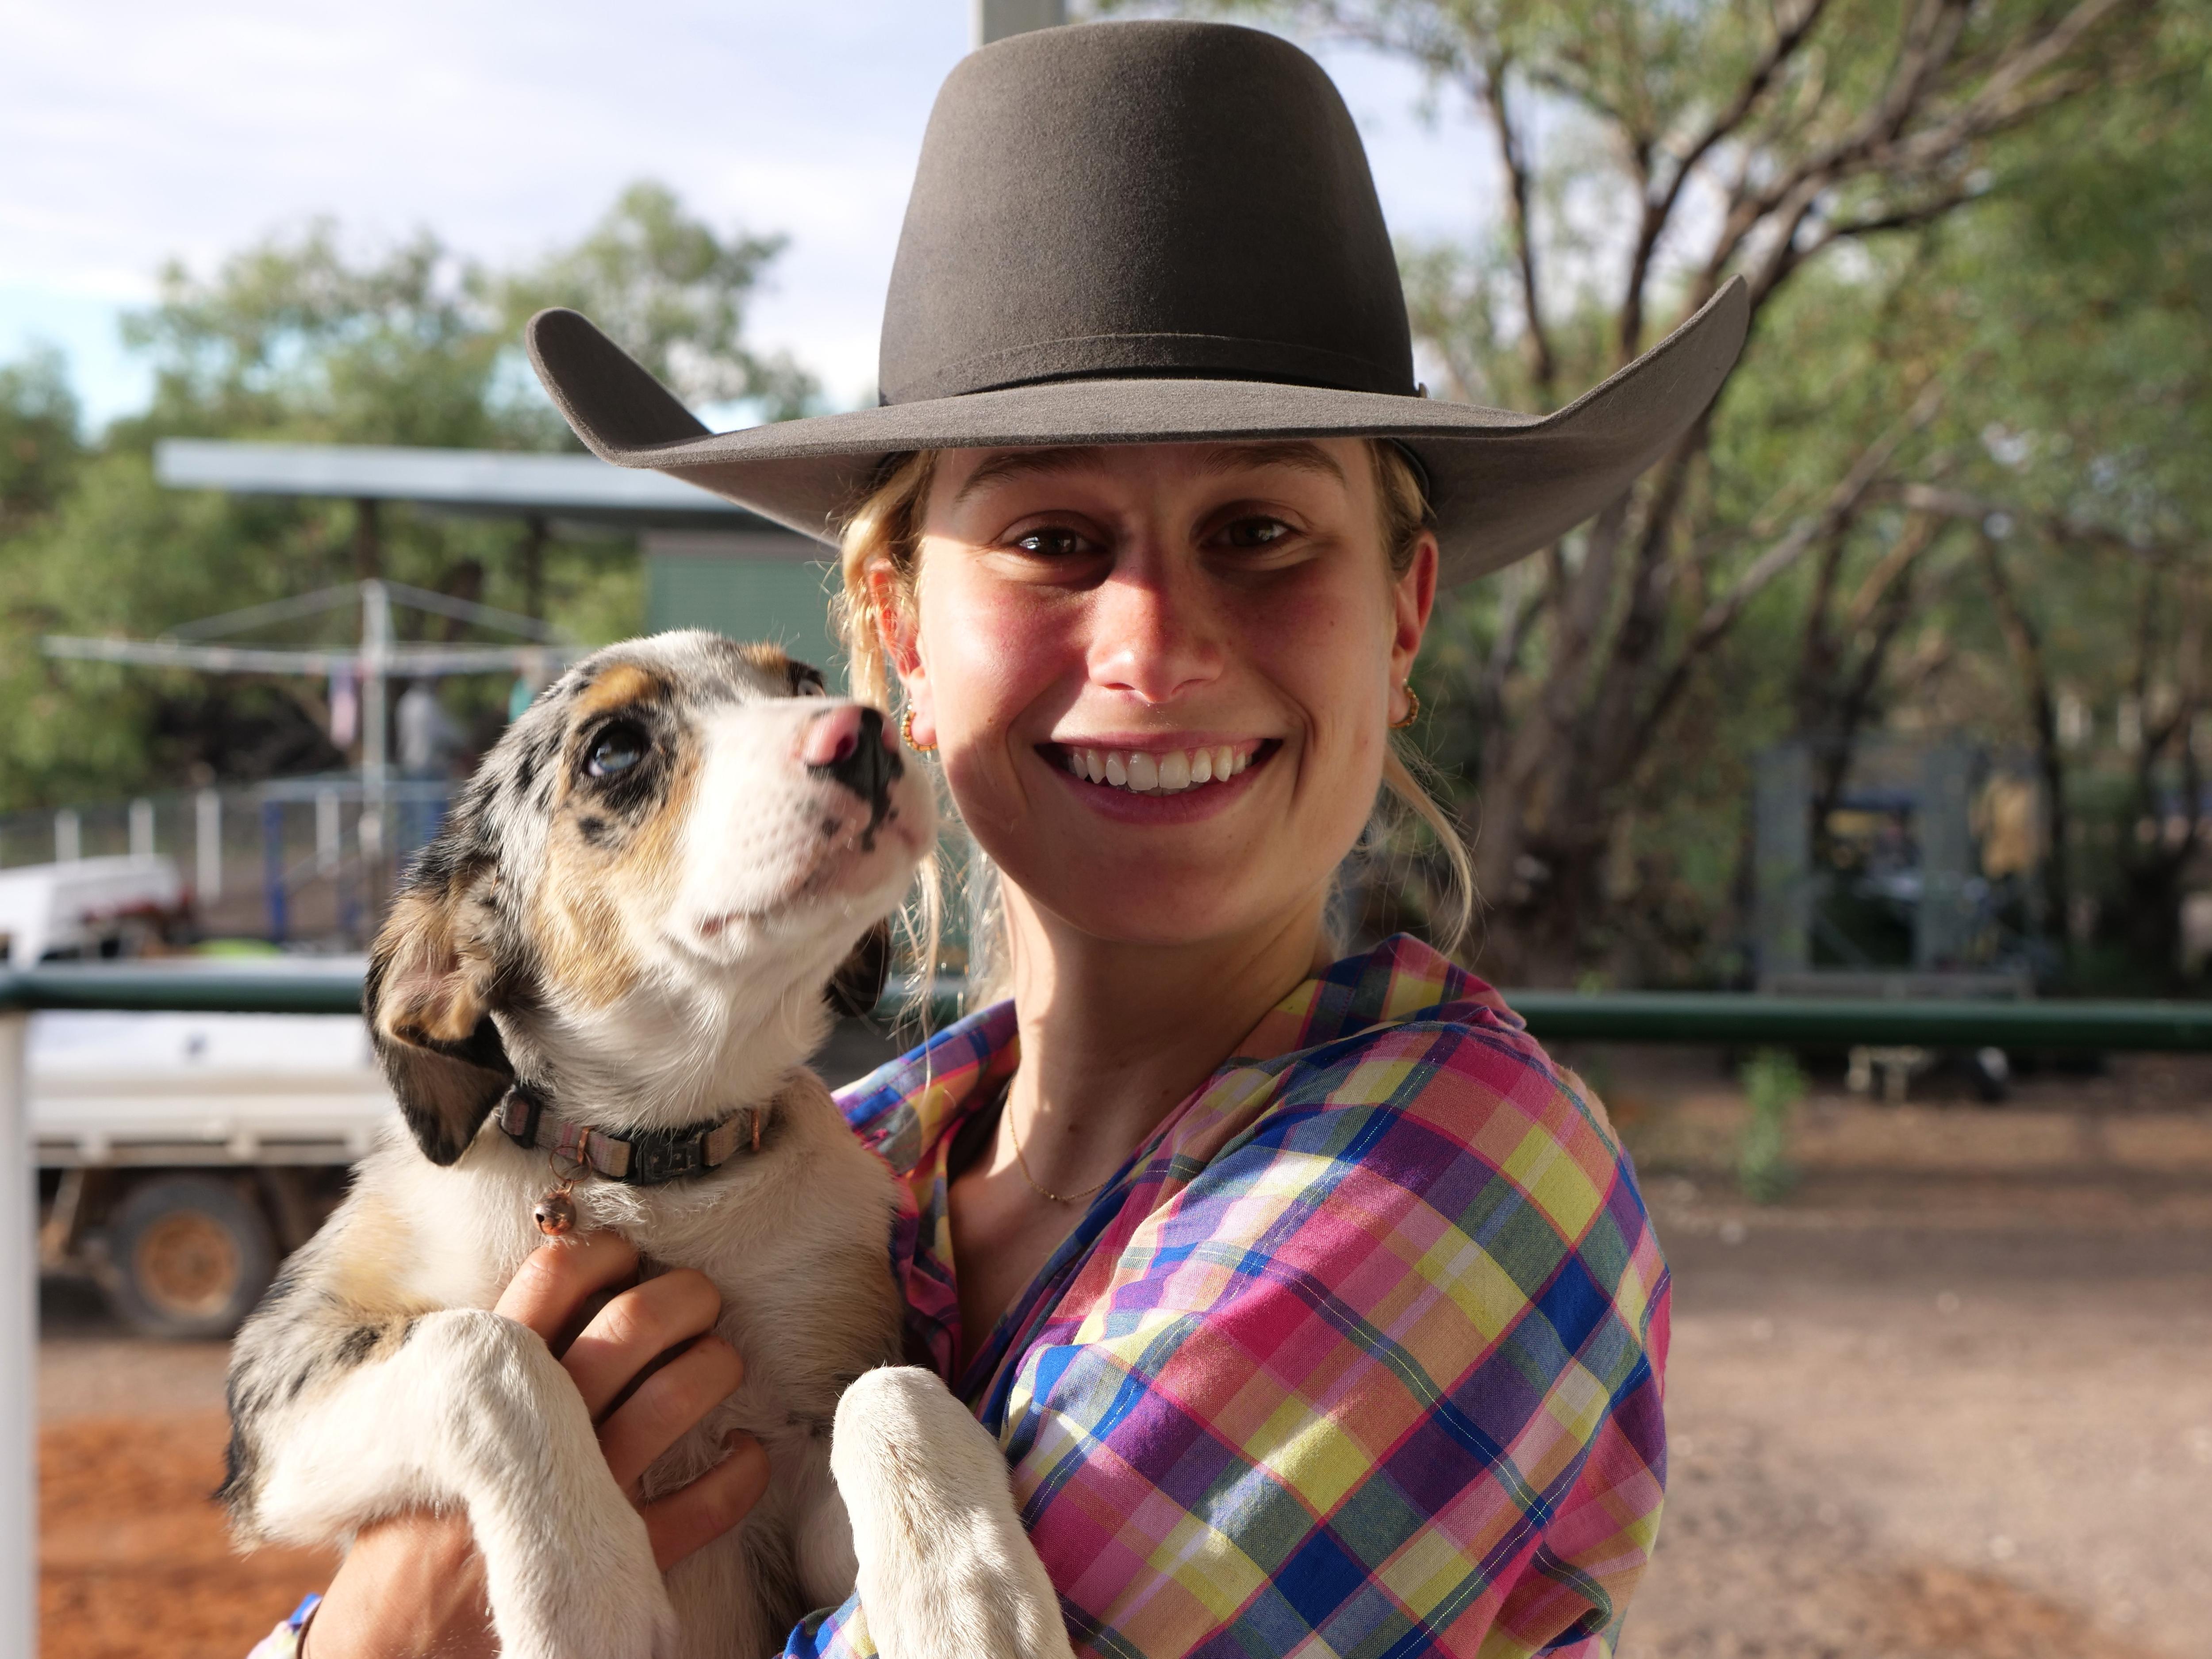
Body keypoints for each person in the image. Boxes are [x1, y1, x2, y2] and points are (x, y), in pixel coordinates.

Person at [257, 19, 1744, 1658]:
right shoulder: (865, 1137)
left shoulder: (1451, 1180)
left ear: (1403, 612)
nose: (1155, 649)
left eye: (1261, 532)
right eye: (1050, 537)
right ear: (897, 626)